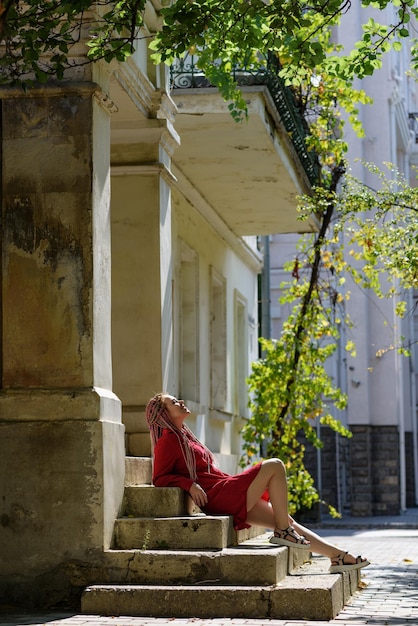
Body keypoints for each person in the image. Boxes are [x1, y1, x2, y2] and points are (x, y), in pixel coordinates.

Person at [145, 392, 370, 574]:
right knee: (274, 465)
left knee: (286, 519)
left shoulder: (184, 434)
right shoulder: (168, 441)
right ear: (163, 413)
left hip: (223, 487)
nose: (181, 402)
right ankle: (283, 532)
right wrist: (188, 485)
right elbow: (159, 478)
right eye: (174, 402)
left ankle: (337, 556)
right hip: (217, 495)